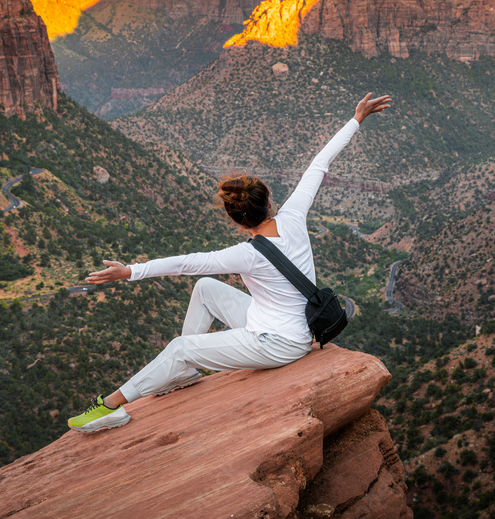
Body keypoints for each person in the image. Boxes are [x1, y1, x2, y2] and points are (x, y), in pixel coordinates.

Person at [67, 93, 392, 432]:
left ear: (236, 219)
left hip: (278, 344)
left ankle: (110, 406)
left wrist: (130, 271)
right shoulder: (294, 215)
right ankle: (184, 372)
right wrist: (356, 119)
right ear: (268, 201)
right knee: (205, 288)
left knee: (180, 347)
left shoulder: (247, 254)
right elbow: (319, 165)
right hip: (285, 326)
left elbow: (185, 263)